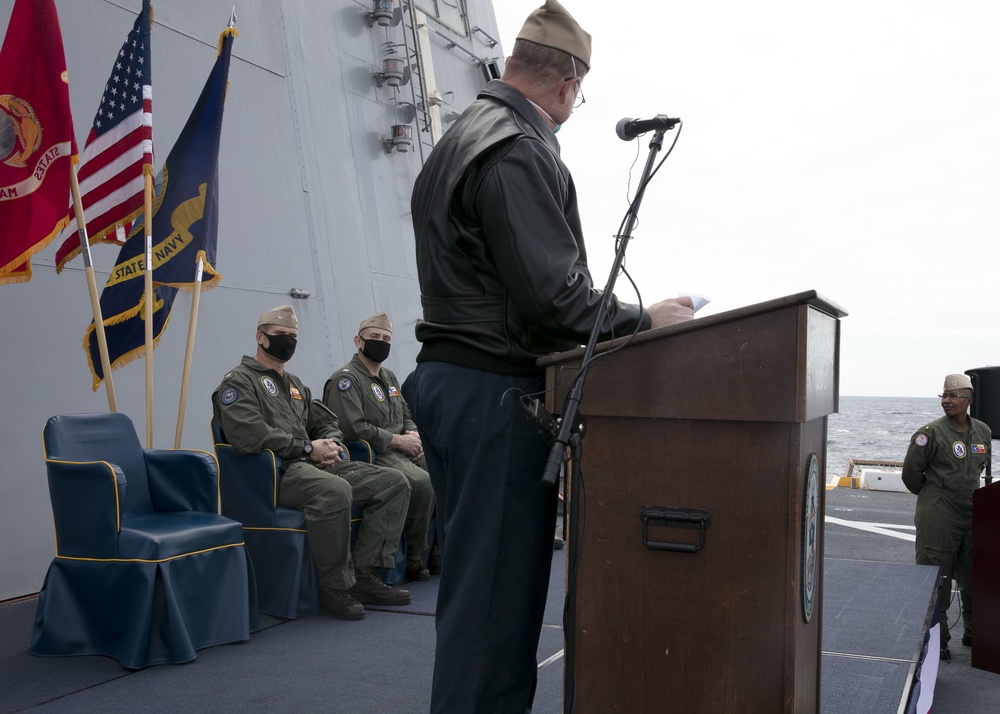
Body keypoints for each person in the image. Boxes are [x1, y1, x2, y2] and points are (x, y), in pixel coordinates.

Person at [402, 2, 694, 711]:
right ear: (567, 84)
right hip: (493, 393)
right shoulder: (515, 146)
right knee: (495, 610)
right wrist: (643, 319)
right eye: (579, 96)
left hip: (454, 381)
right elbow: (555, 303)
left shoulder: (460, 137)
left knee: (476, 598)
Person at [212, 304, 413, 621]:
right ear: (260, 338)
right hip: (277, 473)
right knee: (334, 491)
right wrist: (306, 449)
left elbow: (326, 420)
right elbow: (249, 434)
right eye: (281, 334)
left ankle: (364, 574)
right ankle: (334, 587)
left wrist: (330, 443)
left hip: (314, 463)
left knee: (394, 483)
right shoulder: (238, 383)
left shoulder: (293, 384)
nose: (288, 341)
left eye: (293, 335)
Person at [323, 311, 437, 582]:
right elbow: (352, 427)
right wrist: (398, 440)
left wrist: (412, 432)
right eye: (375, 337)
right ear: (358, 341)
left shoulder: (389, 377)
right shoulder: (346, 380)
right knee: (423, 482)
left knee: (448, 470)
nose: (381, 342)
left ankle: (440, 549)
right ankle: (413, 556)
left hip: (404, 447)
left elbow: (405, 412)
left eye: (386, 338)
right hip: (376, 453)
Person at [902, 373, 991, 662]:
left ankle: (975, 631)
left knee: (975, 574)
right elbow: (911, 474)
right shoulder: (931, 433)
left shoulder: (983, 431)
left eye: (953, 396)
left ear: (969, 401)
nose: (946, 401)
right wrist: (933, 498)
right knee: (936, 575)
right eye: (944, 396)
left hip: (972, 509)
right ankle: (937, 639)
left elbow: (979, 468)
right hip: (939, 509)